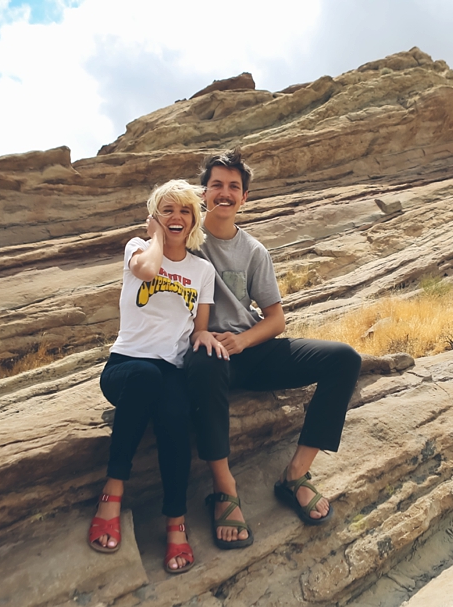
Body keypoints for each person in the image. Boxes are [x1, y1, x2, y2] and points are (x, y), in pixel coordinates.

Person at [185, 150, 362, 550]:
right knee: (205, 362)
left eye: (234, 187)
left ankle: (295, 475)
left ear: (244, 197)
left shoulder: (253, 251)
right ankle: (224, 489)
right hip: (209, 356)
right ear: (203, 192)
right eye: (217, 185)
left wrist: (243, 340)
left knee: (344, 359)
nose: (225, 193)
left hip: (252, 349)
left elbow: (276, 319)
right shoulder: (188, 240)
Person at [89, 180, 227, 573]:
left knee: (176, 416)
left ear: (194, 219)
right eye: (167, 210)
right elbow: (148, 271)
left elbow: (200, 327)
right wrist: (155, 237)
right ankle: (113, 491)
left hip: (171, 371)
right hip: (126, 368)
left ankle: (175, 521)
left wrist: (207, 337)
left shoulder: (202, 270)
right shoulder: (138, 248)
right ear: (155, 217)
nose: (176, 217)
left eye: (185, 210)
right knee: (147, 377)